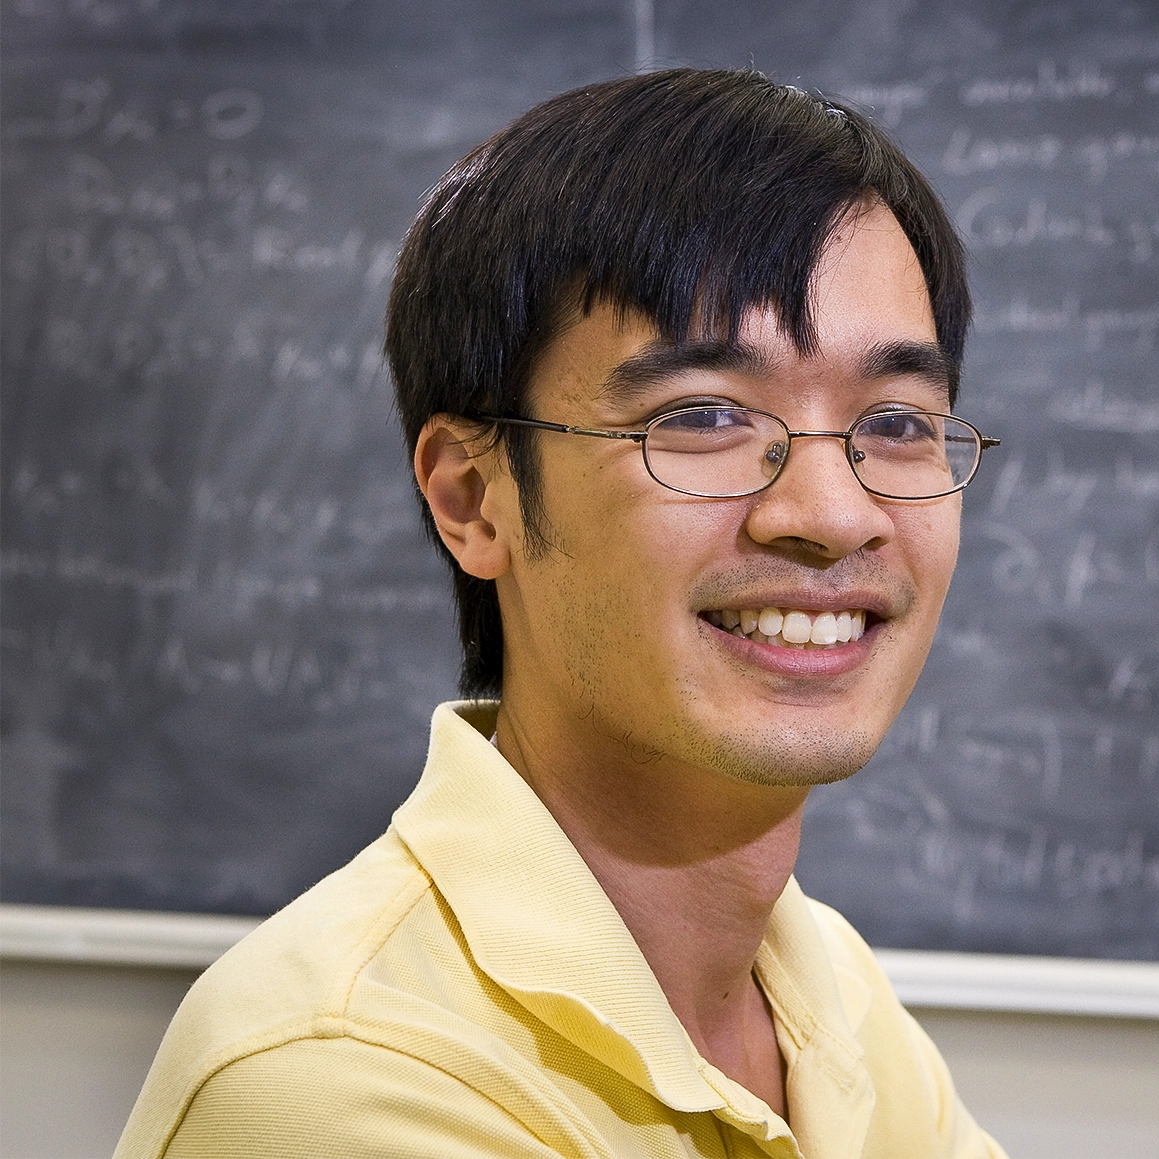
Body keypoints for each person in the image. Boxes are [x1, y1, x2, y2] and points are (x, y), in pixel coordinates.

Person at [115, 69, 1006, 1159]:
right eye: (707, 414)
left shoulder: (823, 994)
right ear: (473, 498)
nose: (830, 512)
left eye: (899, 423)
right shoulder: (343, 1074)